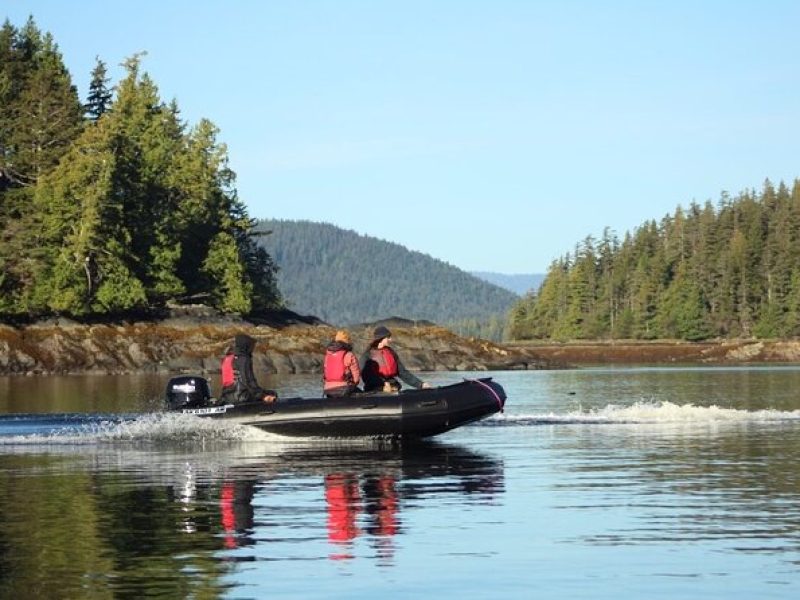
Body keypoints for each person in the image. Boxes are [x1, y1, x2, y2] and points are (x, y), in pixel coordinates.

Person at [361, 326, 432, 393]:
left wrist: (420, 384)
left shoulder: (391, 352)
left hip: (392, 384)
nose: (390, 340)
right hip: (375, 386)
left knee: (394, 387)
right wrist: (383, 384)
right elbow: (365, 375)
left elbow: (403, 372)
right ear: (381, 339)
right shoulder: (368, 355)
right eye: (388, 337)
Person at [220, 333, 277, 404]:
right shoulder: (244, 359)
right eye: (252, 346)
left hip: (226, 397)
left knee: (265, 392)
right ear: (246, 346)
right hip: (241, 397)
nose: (252, 348)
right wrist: (262, 396)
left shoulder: (228, 358)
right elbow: (248, 381)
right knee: (272, 393)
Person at [323, 330, 361, 397]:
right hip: (344, 389)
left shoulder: (328, 355)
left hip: (328, 389)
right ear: (347, 342)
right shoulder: (349, 355)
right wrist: (354, 384)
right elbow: (356, 377)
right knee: (361, 394)